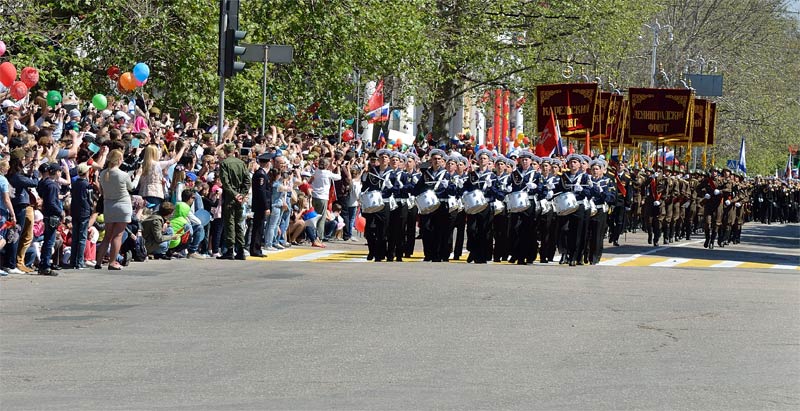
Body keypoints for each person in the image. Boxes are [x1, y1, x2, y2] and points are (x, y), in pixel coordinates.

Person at [95, 149, 137, 270]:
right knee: (118, 235)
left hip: (108, 205)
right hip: (122, 205)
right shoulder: (123, 175)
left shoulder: (103, 174)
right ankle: (112, 262)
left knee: (107, 236)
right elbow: (132, 187)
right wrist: (137, 175)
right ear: (119, 160)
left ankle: (98, 262)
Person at [217, 143, 250, 260]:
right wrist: (242, 194)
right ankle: (240, 250)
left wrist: (235, 194)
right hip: (239, 197)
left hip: (230, 197)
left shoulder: (225, 164)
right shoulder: (241, 163)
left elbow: (225, 183)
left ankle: (230, 250)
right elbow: (247, 180)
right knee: (238, 223)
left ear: (225, 151)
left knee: (229, 223)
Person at [138, 143, 186, 209]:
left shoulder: (142, 165)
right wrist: (183, 147)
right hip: (155, 194)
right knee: (154, 215)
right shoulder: (157, 164)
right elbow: (176, 160)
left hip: (143, 193)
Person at [37, 163, 63, 276]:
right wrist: (60, 211)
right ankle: (45, 266)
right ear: (56, 172)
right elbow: (52, 202)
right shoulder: (52, 185)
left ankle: (43, 264)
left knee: (48, 240)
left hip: (46, 214)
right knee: (49, 241)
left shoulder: (44, 183)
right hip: (52, 215)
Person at [249, 153, 273, 257]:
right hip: (260, 206)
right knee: (258, 228)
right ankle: (255, 249)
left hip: (261, 205)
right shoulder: (261, 174)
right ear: (268, 163)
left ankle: (257, 248)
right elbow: (262, 192)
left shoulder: (263, 174)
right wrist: (266, 207)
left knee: (260, 227)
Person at [69, 163, 92, 269]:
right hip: (84, 211)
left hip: (75, 211)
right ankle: (80, 261)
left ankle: (73, 261)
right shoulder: (86, 184)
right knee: (82, 237)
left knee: (75, 237)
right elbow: (90, 199)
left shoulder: (75, 183)